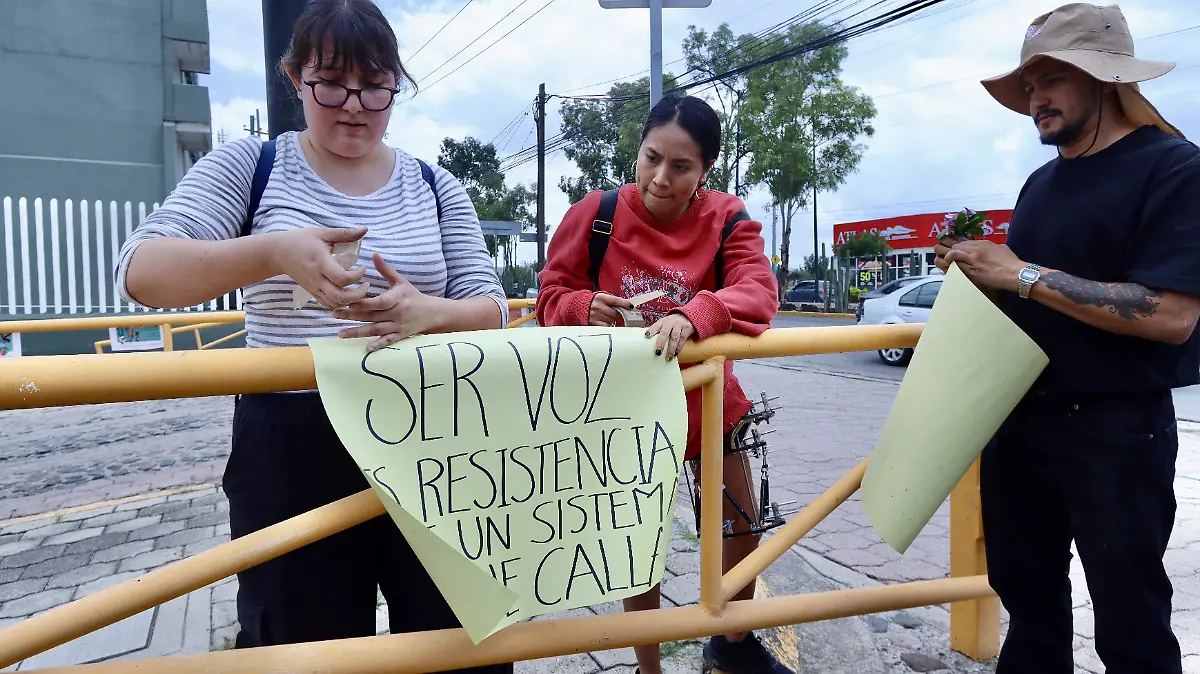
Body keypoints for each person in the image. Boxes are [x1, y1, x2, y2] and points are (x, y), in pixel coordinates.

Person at [113, 1, 510, 669]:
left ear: (396, 87)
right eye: (331, 82)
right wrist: (273, 252)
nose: (354, 104)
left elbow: (493, 307)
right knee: (300, 646)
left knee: (460, 639)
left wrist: (429, 313)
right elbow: (142, 271)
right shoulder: (254, 165)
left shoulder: (435, 186)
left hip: (434, 432)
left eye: (375, 85)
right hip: (292, 439)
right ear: (295, 79)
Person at [934, 4, 1200, 673]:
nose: (1036, 99)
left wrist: (1019, 273)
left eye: (1052, 79)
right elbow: (1031, 298)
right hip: (1020, 421)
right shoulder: (1040, 184)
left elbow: (1171, 313)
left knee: (1130, 622)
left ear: (1105, 77)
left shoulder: (1173, 168)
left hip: (1117, 431)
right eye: (1029, 86)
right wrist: (981, 274)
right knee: (1029, 609)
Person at [535, 94, 790, 674]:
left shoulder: (726, 217)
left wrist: (697, 313)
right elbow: (550, 293)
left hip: (709, 403)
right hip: (622, 412)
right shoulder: (596, 213)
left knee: (741, 525)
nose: (660, 179)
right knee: (637, 544)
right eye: (651, 158)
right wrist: (580, 306)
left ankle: (731, 645)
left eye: (681, 166)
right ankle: (648, 668)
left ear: (705, 171)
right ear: (638, 150)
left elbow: (758, 290)